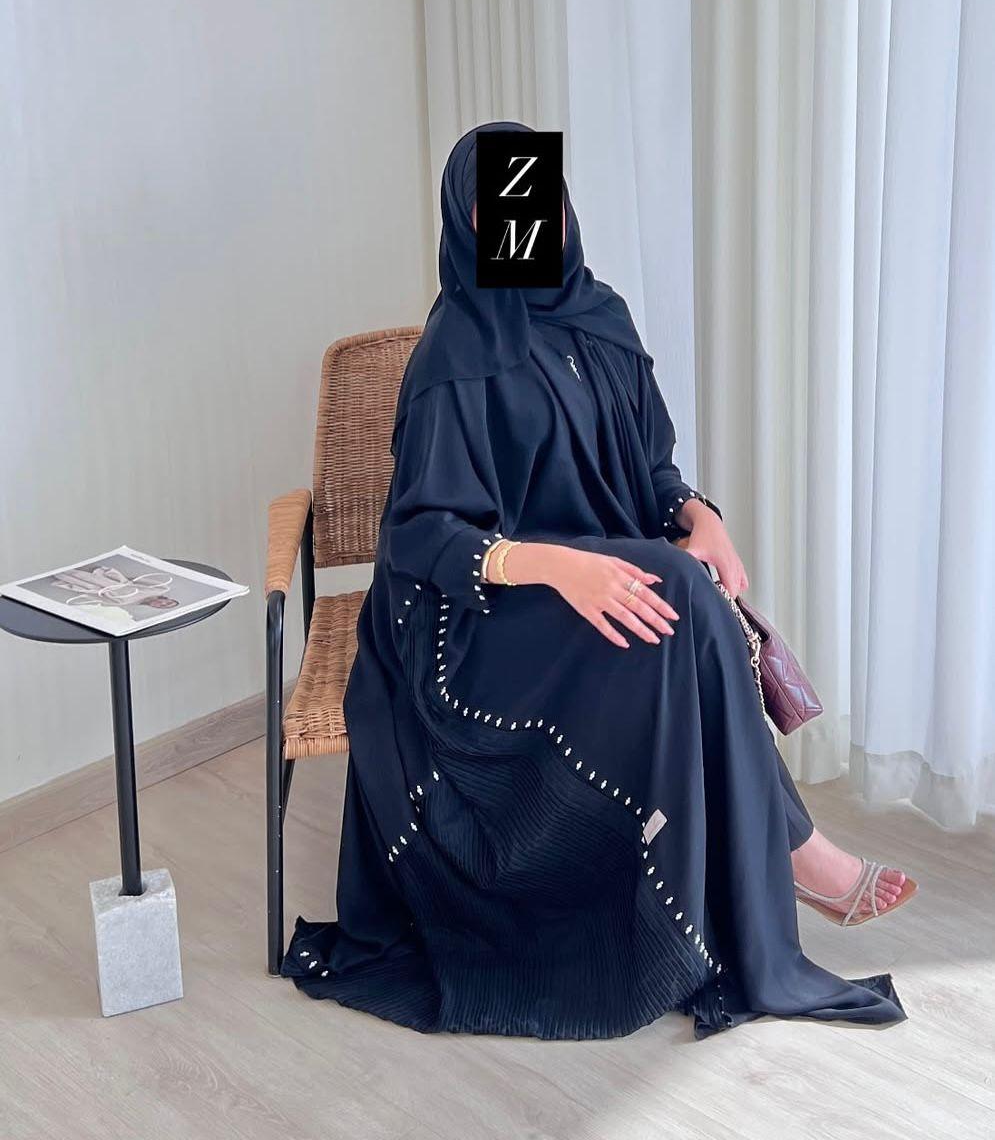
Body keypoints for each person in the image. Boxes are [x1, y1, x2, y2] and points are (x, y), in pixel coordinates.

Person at [281, 120, 915, 1039]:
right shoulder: (455, 349)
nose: (523, 225)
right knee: (672, 590)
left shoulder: (600, 318)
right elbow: (417, 536)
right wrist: (555, 565)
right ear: (464, 223)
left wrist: (698, 515)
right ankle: (797, 853)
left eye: (536, 200)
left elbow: (650, 471)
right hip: (476, 616)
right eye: (496, 209)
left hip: (596, 586)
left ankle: (783, 856)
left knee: (677, 584)